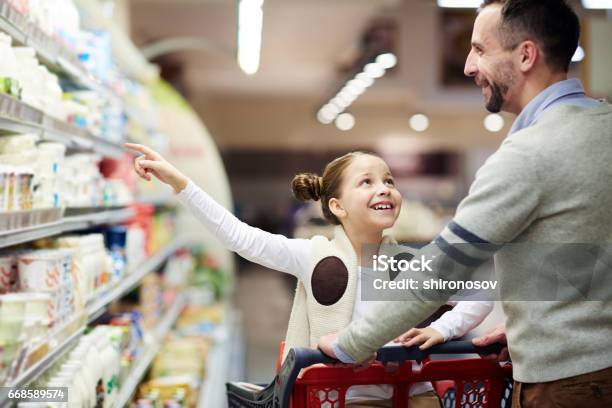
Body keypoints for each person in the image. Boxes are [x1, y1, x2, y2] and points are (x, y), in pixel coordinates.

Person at [318, 1, 612, 407]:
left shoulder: (527, 154)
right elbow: (591, 251)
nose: (468, 66)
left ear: (526, 55)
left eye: (480, 49)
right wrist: (539, 327)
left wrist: (353, 343)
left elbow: (442, 268)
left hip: (569, 386)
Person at [126, 144, 492, 407]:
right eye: (366, 182)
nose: (384, 188)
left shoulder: (413, 262)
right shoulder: (313, 256)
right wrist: (180, 183)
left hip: (414, 389)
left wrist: (442, 329)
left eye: (389, 181)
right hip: (347, 395)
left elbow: (481, 293)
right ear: (337, 205)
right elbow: (240, 237)